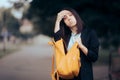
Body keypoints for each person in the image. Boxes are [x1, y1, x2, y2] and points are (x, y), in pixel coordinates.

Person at [53, 7, 99, 80]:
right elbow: (56, 38)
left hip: (83, 75)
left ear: (76, 16)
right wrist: (58, 20)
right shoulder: (66, 36)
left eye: (71, 15)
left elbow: (94, 57)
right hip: (66, 75)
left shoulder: (90, 33)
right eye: (65, 18)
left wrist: (81, 46)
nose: (69, 19)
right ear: (64, 22)